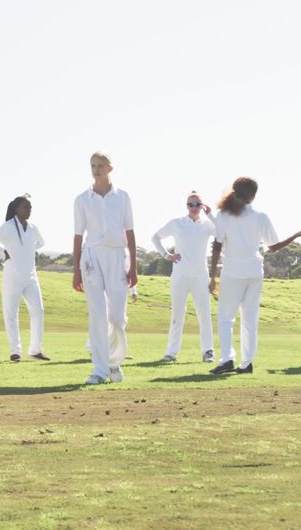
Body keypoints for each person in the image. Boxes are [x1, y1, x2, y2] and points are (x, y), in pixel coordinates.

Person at [208, 177, 301, 375]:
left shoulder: (223, 215)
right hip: (255, 271)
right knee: (249, 320)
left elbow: (217, 245)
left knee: (226, 318)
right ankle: (246, 363)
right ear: (253, 197)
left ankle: (227, 359)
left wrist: (212, 275)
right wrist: (297, 234)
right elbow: (274, 247)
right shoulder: (261, 217)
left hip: (233, 271)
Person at [73, 152, 137, 385]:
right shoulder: (82, 199)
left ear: (110, 168)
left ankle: (114, 363)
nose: (96, 169)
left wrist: (134, 268)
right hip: (91, 258)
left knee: (118, 318)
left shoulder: (122, 197)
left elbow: (129, 232)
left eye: (101, 165)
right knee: (98, 315)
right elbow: (78, 235)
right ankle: (99, 369)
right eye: (92, 166)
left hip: (117, 256)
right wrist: (76, 270)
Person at [0, 195, 50, 362]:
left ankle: (35, 350)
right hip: (12, 275)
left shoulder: (33, 227)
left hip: (31, 277)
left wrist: (28, 250)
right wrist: (3, 251)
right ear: (16, 209)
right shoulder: (8, 226)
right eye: (26, 206)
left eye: (30, 207)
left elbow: (41, 243)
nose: (29, 210)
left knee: (38, 311)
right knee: (11, 313)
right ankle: (15, 351)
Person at [152, 191, 216, 363]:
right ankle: (171, 353)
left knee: (204, 314)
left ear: (201, 206)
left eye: (197, 204)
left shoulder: (207, 225)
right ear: (186, 206)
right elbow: (155, 237)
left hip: (200, 275)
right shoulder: (177, 223)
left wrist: (210, 213)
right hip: (180, 275)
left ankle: (208, 351)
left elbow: (222, 233)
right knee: (177, 315)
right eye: (191, 204)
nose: (194, 208)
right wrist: (166, 255)